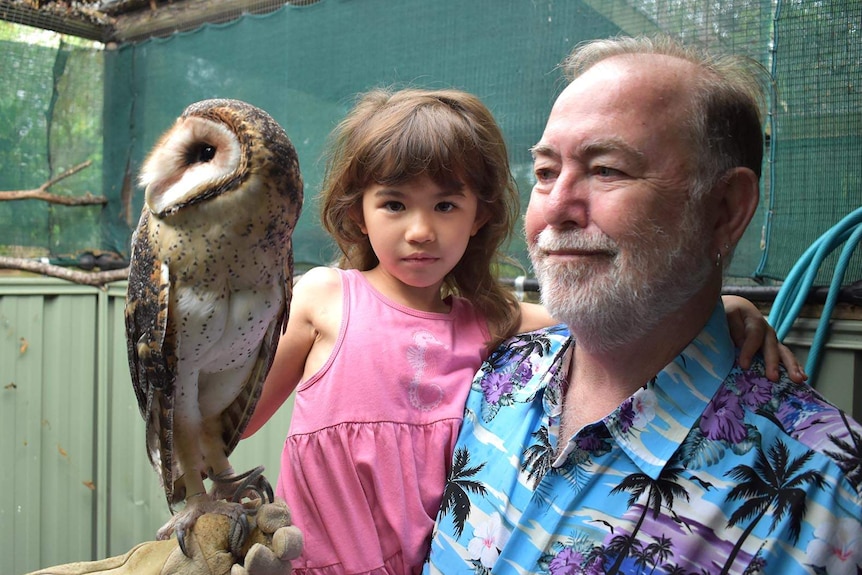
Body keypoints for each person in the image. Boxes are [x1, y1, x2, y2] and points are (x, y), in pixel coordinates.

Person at [241, 87, 803, 575]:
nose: (419, 230)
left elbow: (599, 315)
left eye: (444, 204)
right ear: (357, 210)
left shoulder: (485, 319)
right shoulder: (323, 298)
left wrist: (719, 305)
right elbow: (229, 428)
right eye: (393, 204)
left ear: (478, 216)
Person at [425, 35, 862, 575]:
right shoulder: (500, 374)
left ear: (724, 209)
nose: (556, 207)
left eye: (606, 169)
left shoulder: (826, 497)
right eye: (544, 172)